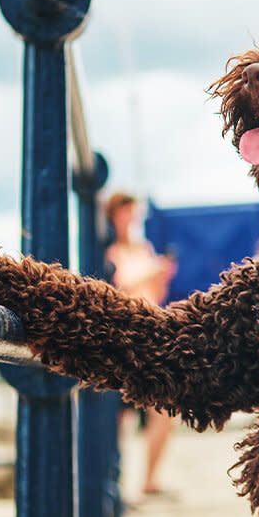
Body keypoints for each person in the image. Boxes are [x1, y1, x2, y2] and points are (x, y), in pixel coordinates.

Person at [104, 192, 178, 498]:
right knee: (119, 417)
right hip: (120, 340)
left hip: (148, 334)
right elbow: (114, 288)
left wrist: (161, 276)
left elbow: (153, 294)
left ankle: (148, 480)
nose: (131, 220)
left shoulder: (143, 248)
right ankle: (115, 486)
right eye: (126, 214)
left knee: (165, 409)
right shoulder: (105, 250)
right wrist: (151, 271)